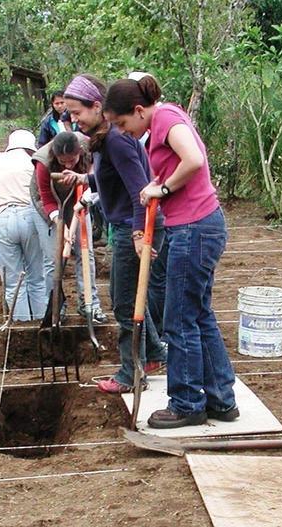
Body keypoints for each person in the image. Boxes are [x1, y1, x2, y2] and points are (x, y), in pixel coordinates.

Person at [105, 74, 236, 427]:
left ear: (137, 110)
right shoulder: (164, 119)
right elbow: (180, 168)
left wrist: (162, 191)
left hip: (194, 228)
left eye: (122, 123)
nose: (123, 131)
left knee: (178, 320)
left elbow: (193, 159)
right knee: (198, 315)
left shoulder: (165, 119)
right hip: (196, 225)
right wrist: (156, 186)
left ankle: (187, 403)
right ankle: (222, 400)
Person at [60, 74, 166, 395]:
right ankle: (154, 355)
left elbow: (140, 191)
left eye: (77, 112)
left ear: (97, 106)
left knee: (122, 303)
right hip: (129, 223)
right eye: (69, 114)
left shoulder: (116, 140)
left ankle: (129, 373)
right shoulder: (105, 140)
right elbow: (113, 181)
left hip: (134, 226)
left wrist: (137, 234)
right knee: (132, 297)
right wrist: (85, 180)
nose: (73, 119)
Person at [32, 130, 106, 323]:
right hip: (51, 205)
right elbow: (46, 199)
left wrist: (84, 202)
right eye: (62, 161)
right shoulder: (43, 162)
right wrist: (61, 225)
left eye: (71, 161)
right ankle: (57, 306)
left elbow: (97, 177)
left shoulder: (89, 147)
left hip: (82, 199)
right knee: (53, 259)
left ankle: (89, 304)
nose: (67, 165)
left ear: (79, 152)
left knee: (86, 253)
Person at [0, 129, 47, 321]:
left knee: (12, 282)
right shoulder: (35, 162)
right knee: (37, 278)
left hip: (1, 219)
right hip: (30, 218)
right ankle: (40, 325)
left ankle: (21, 328)